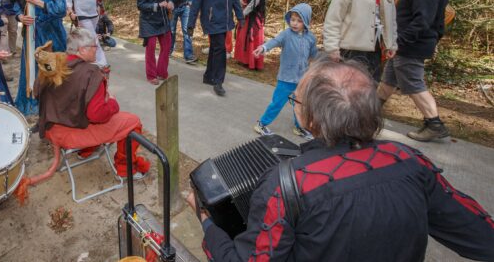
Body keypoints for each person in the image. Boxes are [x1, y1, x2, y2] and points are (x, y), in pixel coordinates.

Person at [188, 58, 494, 262]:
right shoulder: (411, 161)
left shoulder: (286, 185)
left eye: (297, 101)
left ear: (310, 118)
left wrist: (207, 224)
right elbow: (482, 235)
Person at [36, 28, 151, 178]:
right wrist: (112, 103)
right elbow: (97, 115)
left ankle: (87, 151)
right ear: (82, 50)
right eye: (94, 46)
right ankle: (124, 169)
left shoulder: (54, 65)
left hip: (51, 129)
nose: (97, 49)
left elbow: (37, 92)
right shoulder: (91, 73)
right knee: (133, 122)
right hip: (70, 133)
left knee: (87, 109)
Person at [378, 0, 451, 142]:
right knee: (388, 80)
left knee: (414, 84)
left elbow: (423, 21)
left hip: (410, 46)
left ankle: (434, 124)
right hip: (405, 45)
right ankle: (371, 112)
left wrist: (399, 41)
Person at [14, 0, 68, 115]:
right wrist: (19, 17)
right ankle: (32, 106)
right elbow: (14, 4)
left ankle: (54, 110)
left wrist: (38, 2)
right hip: (31, 36)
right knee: (30, 71)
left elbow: (61, 9)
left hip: (51, 38)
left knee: (51, 73)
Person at [252, 3, 317, 139]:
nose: (294, 23)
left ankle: (299, 127)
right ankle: (261, 124)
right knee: (277, 103)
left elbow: (313, 56)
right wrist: (263, 48)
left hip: (301, 80)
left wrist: (317, 68)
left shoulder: (311, 38)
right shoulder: (286, 34)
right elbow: (275, 41)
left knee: (300, 105)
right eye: (293, 19)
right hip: (286, 79)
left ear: (306, 21)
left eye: (299, 21)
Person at [187, 0, 244, 96]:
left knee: (215, 48)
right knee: (220, 49)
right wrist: (190, 23)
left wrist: (240, 16)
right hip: (212, 19)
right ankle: (218, 81)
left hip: (226, 18)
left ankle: (208, 76)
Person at [66, 0, 108, 68]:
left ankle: (83, 59)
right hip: (82, 16)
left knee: (86, 39)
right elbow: (68, 0)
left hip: (94, 15)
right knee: (94, 38)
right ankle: (102, 62)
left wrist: (99, 7)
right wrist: (71, 12)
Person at [137, 0, 173, 85]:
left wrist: (170, 3)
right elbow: (140, 5)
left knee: (166, 47)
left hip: (163, 20)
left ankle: (162, 72)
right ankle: (151, 75)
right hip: (148, 22)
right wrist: (157, 6)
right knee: (151, 49)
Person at [234, 0, 267, 70]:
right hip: (250, 13)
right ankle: (246, 60)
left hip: (254, 15)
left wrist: (244, 12)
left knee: (251, 37)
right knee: (245, 36)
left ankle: (251, 62)